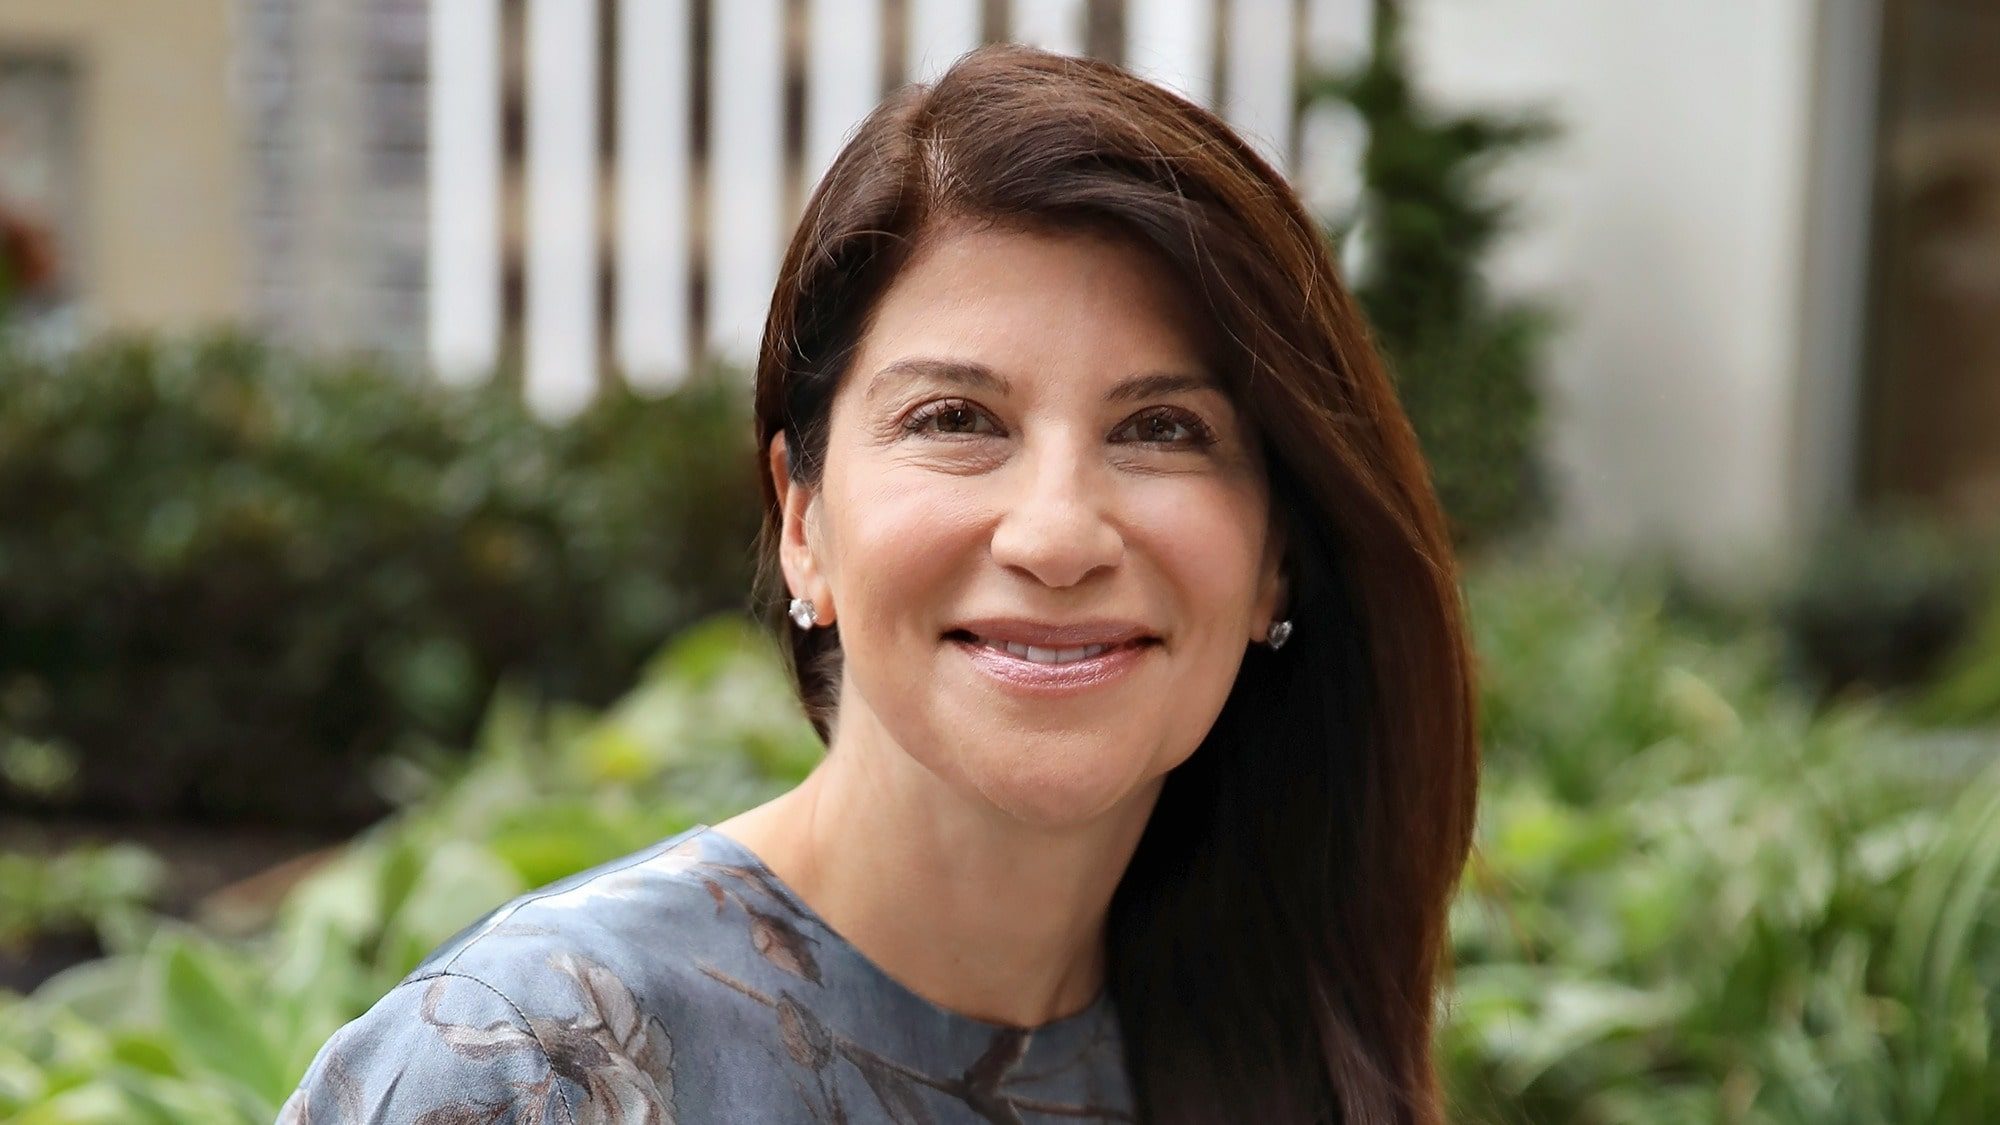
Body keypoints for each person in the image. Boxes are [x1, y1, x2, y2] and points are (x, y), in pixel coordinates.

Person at [278, 42, 1478, 1125]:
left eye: (1162, 429)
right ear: (804, 521)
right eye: (956, 418)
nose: (1057, 536)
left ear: (1276, 555)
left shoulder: (1284, 1049)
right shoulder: (535, 1066)